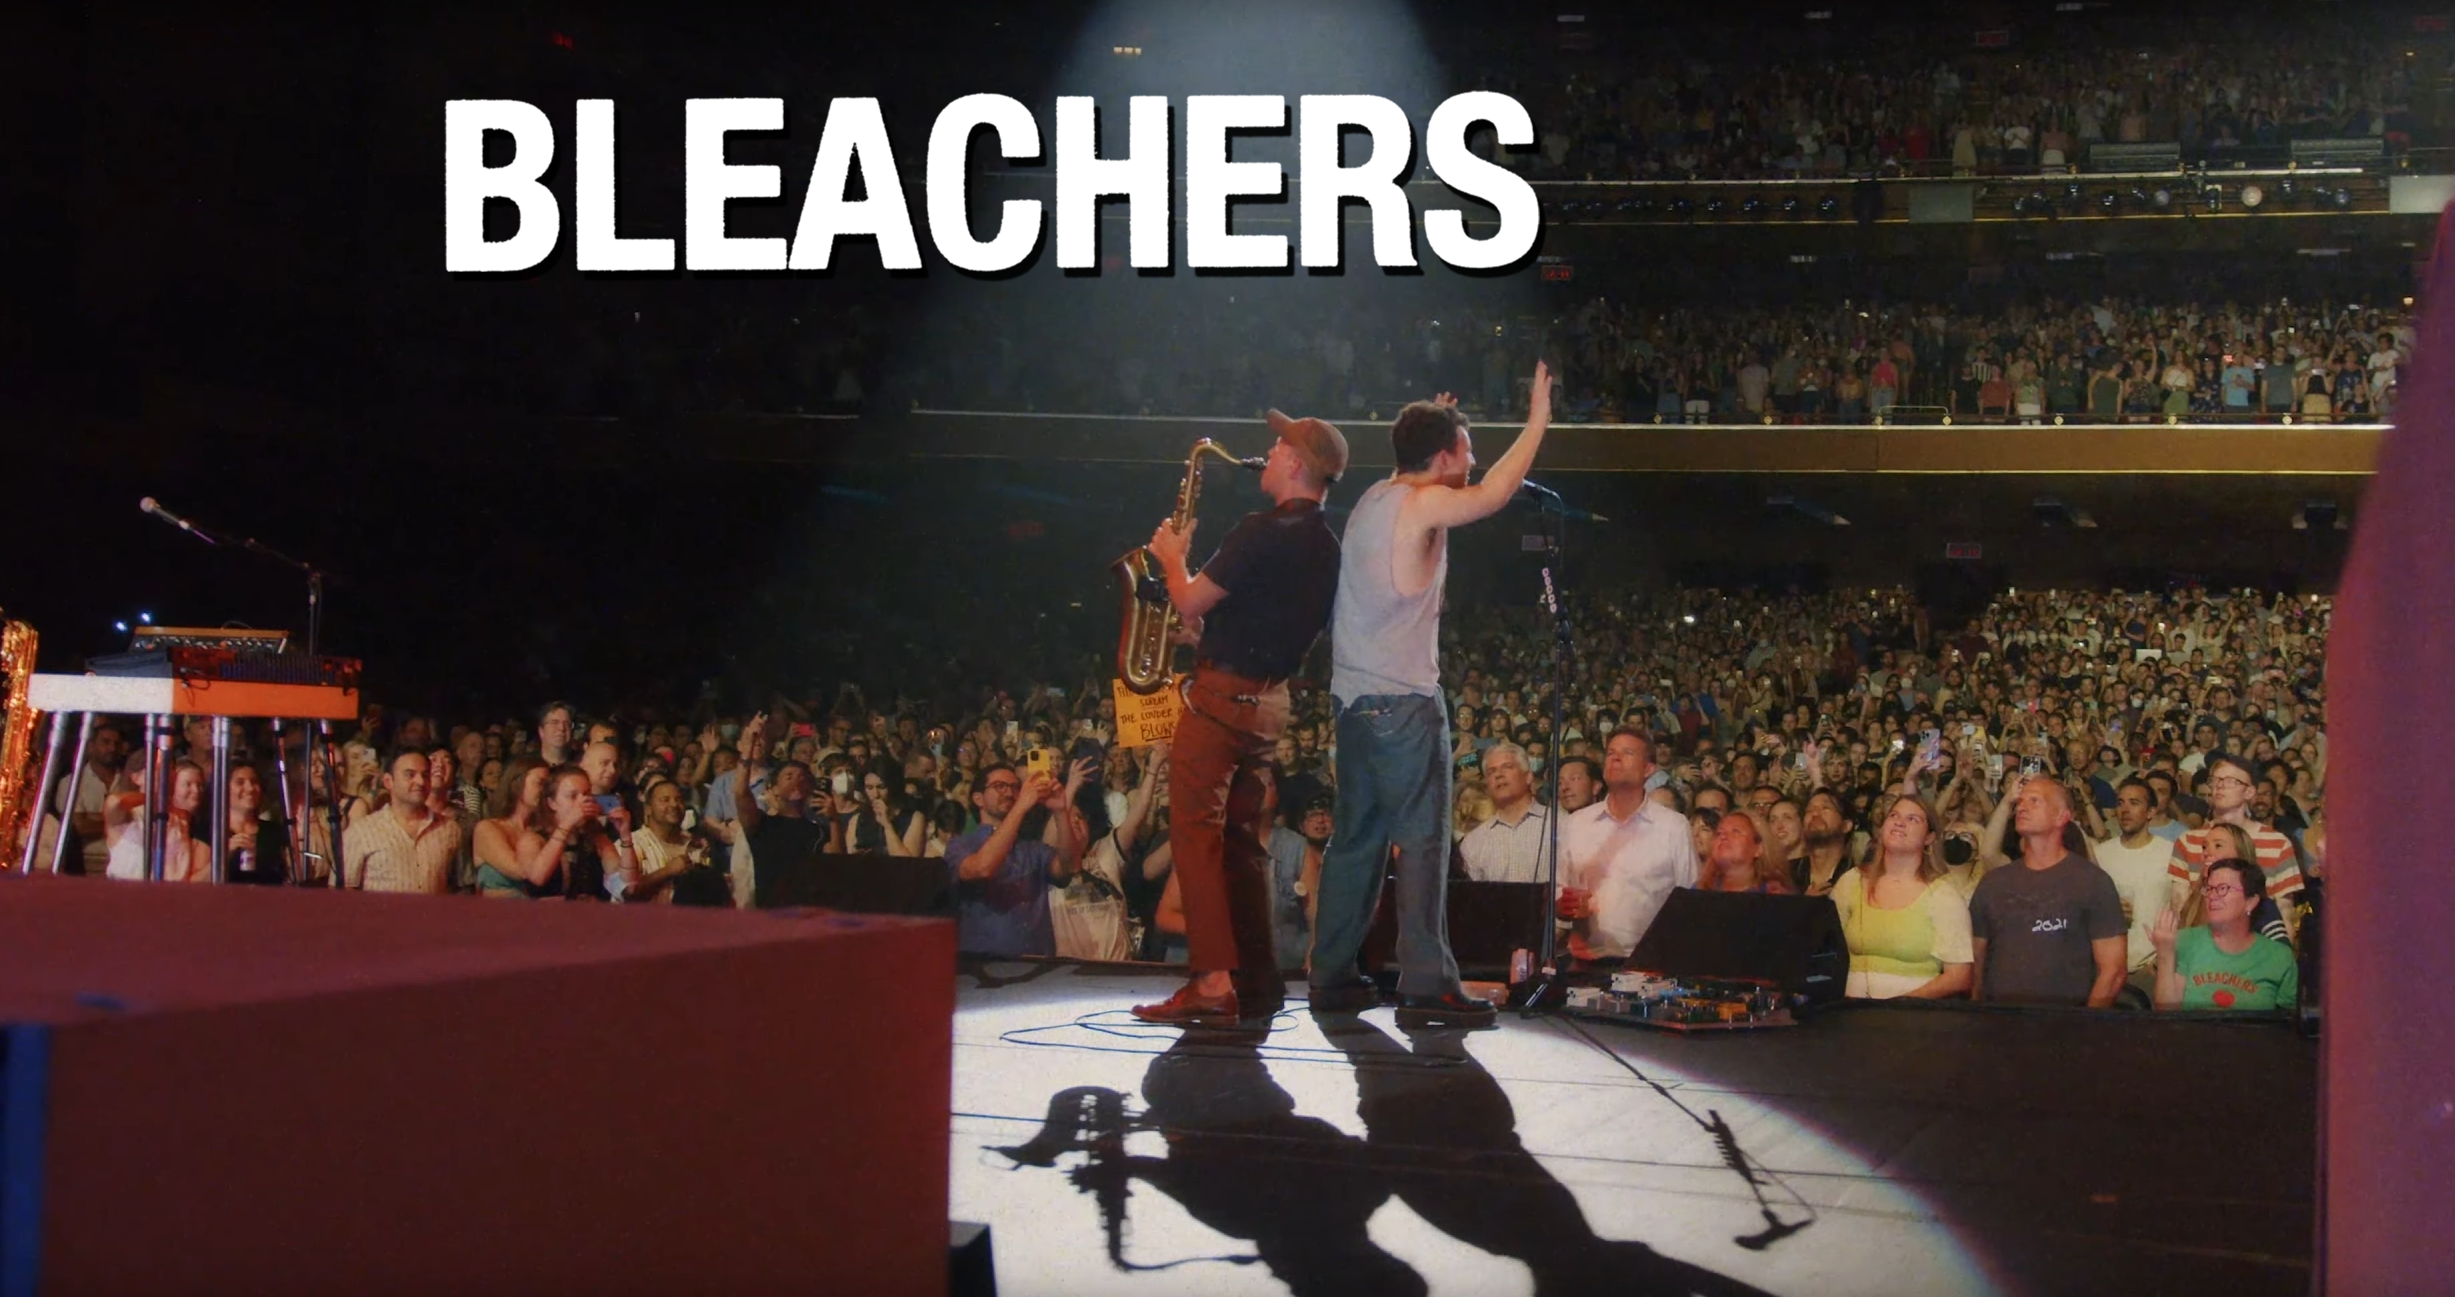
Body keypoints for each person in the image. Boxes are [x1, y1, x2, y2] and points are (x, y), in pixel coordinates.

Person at [1311, 362, 1552, 1031]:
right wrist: (1538, 418)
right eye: (1465, 450)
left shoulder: (1374, 499)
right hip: (1404, 705)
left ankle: (1331, 975)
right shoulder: (1422, 506)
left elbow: (1437, 468)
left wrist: (1439, 421)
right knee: (1421, 844)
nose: (1472, 462)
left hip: (1352, 702)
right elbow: (1496, 491)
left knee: (1355, 842)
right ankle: (1426, 983)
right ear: (1441, 457)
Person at [1130, 407, 1348, 1027]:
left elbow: (1189, 598)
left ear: (1296, 464)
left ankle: (1211, 980)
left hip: (1221, 702)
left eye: (1278, 447)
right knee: (1242, 845)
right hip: (1268, 705)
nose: (1268, 453)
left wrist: (1173, 556)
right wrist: (1210, 641)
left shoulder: (1259, 529)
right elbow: (1267, 627)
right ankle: (1257, 979)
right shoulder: (1326, 544)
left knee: (1194, 834)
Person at [1967, 777, 2127, 1007]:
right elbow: (1976, 961)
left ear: (2062, 816)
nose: (2022, 807)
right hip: (1999, 1021)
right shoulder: (1994, 883)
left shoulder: (2092, 882)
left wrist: (2087, 1022)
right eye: (2020, 802)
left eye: (2035, 801)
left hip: (2066, 1022)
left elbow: (2113, 971)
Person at [1555, 728, 1699, 963]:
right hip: (1585, 962)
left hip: (1651, 963)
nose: (1615, 757)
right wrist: (1564, 906)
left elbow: (1690, 899)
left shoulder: (1673, 826)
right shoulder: (1576, 824)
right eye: (1611, 752)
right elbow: (1559, 889)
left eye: (1627, 753)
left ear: (1648, 769)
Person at [1830, 793, 1974, 999]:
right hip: (1850, 1009)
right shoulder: (1851, 881)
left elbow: (1959, 976)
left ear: (1929, 837)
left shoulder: (1943, 896)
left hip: (1912, 1013)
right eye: (1894, 815)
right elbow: (1825, 948)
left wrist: (1899, 1004)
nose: (1899, 822)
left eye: (1912, 819)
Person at [2150, 857, 2299, 1012]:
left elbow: (2289, 1021)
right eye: (2209, 889)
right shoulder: (2185, 941)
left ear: (2250, 902)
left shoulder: (2279, 957)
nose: (2212, 896)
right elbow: (2168, 1016)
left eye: (2223, 888)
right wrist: (2165, 954)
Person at [343, 749, 466, 895]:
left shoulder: (450, 829)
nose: (420, 782)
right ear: (388, 782)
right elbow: (343, 892)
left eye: (425, 775)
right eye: (410, 775)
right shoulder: (361, 832)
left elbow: (462, 887)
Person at [1456, 742, 1551, 883]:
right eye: (1491, 772)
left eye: (1507, 767)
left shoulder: (1558, 824)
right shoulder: (1473, 842)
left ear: (1528, 777)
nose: (1499, 775)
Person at [1694, 811, 1790, 894]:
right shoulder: (1698, 891)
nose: (1723, 836)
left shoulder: (1776, 897)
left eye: (1735, 831)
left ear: (1758, 848)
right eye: (1719, 833)